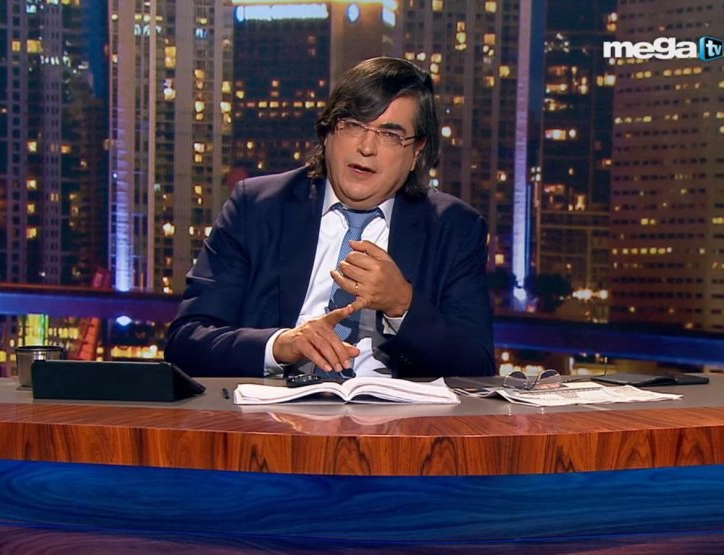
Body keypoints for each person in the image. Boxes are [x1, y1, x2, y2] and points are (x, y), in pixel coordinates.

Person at [165, 57, 494, 378]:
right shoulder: (257, 207)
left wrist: (402, 304)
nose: (367, 147)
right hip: (273, 408)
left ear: (416, 151)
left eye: (390, 135)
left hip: (390, 413)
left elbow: (476, 367)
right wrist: (280, 345)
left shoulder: (454, 228)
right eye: (353, 125)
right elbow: (186, 342)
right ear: (328, 133)